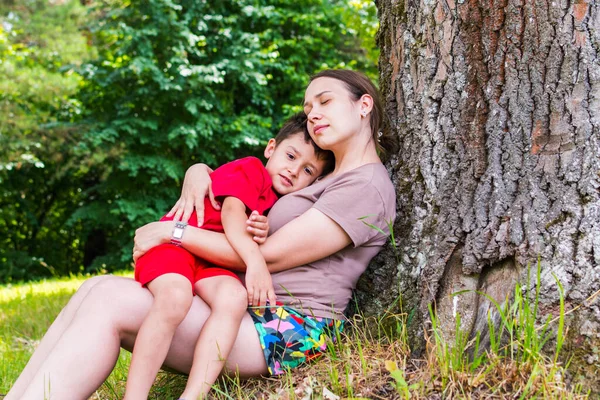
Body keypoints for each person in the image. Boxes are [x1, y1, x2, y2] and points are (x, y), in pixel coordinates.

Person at [7, 69, 397, 400]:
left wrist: (172, 232)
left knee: (110, 299)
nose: (313, 115)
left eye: (325, 102)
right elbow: (247, 187)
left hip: (286, 329)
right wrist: (199, 171)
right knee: (93, 288)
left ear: (363, 106)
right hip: (247, 309)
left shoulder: (366, 186)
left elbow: (271, 256)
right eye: (309, 108)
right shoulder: (328, 172)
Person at [125, 113, 334, 400]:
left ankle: (194, 394)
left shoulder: (280, 203)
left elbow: (248, 228)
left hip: (212, 262)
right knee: (174, 298)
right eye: (290, 156)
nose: (294, 170)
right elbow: (232, 214)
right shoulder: (251, 170)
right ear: (270, 148)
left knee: (234, 299)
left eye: (308, 170)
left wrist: (261, 229)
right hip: (175, 247)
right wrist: (255, 260)